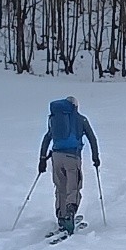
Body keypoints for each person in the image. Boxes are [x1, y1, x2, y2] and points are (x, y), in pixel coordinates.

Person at [38, 96, 100, 235]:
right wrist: (95, 157)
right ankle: (70, 214)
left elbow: (47, 137)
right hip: (73, 157)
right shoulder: (81, 119)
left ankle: (61, 216)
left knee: (60, 187)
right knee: (73, 187)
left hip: (56, 157)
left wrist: (42, 159)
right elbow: (92, 138)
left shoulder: (54, 119)